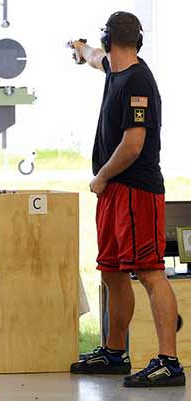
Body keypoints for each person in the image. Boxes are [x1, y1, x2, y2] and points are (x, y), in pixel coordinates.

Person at [69, 11, 185, 387]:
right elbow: (94, 59)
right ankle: (114, 352)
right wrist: (80, 49)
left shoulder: (137, 81)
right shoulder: (115, 69)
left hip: (135, 189)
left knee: (150, 271)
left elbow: (133, 145)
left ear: (109, 37)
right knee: (112, 271)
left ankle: (169, 360)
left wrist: (101, 176)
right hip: (115, 190)